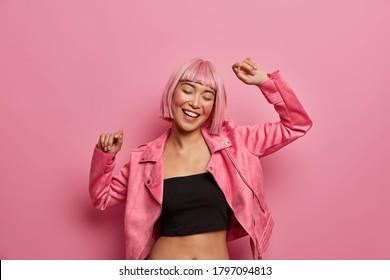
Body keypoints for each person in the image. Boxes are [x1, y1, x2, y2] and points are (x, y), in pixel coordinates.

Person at [89, 57, 312, 260]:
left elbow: (297, 125)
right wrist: (105, 155)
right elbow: (102, 197)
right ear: (172, 94)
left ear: (214, 106)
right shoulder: (145, 160)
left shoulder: (236, 144)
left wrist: (265, 82)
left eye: (207, 96)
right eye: (188, 90)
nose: (196, 103)